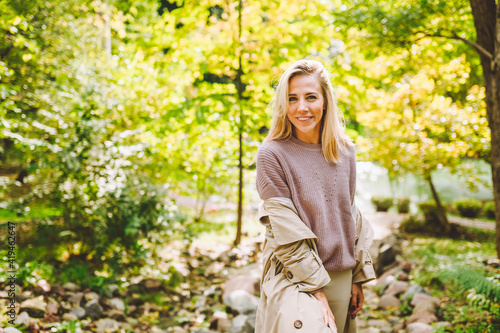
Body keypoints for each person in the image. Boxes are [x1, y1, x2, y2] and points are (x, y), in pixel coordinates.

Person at [255, 59, 375, 333]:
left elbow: (349, 217)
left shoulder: (344, 151)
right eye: (292, 98)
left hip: (341, 277)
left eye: (311, 97)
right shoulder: (272, 154)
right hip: (293, 278)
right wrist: (316, 288)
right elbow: (284, 232)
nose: (301, 108)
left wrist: (356, 277)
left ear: (325, 101)